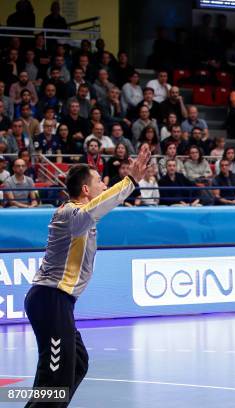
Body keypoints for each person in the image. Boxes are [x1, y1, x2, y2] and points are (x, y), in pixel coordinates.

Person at [24, 146, 150, 406]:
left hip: (59, 302)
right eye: (100, 181)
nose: (104, 185)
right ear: (85, 190)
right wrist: (131, 181)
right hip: (50, 299)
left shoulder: (83, 218)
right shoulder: (70, 213)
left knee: (77, 363)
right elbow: (95, 209)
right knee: (56, 377)